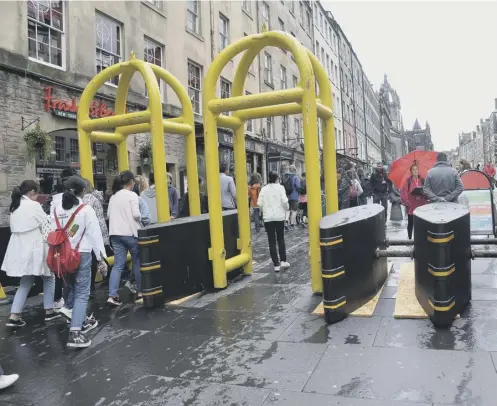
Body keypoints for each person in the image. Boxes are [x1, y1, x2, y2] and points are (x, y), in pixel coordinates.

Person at [46, 176, 106, 348]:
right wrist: (101, 258)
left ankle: (79, 320)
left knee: (69, 287)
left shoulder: (56, 209)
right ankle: (75, 333)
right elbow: (95, 236)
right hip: (82, 254)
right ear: (83, 191)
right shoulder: (85, 209)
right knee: (81, 293)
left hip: (61, 254)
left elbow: (51, 231)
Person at [2, 181, 60, 328]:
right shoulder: (33, 206)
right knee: (49, 277)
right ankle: (49, 311)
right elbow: (47, 224)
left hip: (19, 247)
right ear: (32, 191)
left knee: (25, 282)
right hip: (36, 246)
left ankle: (15, 315)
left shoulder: (15, 206)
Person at [107, 171, 142, 306]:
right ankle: (140, 291)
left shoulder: (113, 196)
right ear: (132, 181)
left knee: (118, 265)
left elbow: (109, 215)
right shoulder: (132, 195)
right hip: (130, 234)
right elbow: (136, 215)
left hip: (115, 234)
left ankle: (112, 295)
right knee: (137, 262)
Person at [257, 171, 290, 272]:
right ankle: (283, 261)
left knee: (271, 241)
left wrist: (265, 211)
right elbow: (285, 202)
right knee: (281, 238)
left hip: (268, 218)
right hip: (279, 217)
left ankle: (276, 265)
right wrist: (286, 209)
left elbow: (259, 204)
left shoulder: (263, 189)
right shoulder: (280, 188)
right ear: (277, 179)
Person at [82, 179, 110, 296]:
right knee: (100, 257)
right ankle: (108, 279)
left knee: (95, 259)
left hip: (93, 232)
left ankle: (92, 286)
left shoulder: (87, 198)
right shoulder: (95, 197)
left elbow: (84, 215)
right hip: (100, 230)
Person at [400, 164, 428, 239]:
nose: (415, 171)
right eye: (413, 169)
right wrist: (406, 202)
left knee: (421, 223)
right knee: (411, 223)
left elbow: (427, 190)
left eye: (416, 169)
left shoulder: (422, 180)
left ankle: (421, 238)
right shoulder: (408, 181)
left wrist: (424, 194)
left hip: (421, 204)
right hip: (411, 205)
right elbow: (404, 192)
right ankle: (409, 238)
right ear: (411, 171)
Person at [282, 165, 301, 231]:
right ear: (295, 170)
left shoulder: (286, 176)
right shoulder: (296, 177)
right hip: (294, 195)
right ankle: (292, 224)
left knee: (288, 210)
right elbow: (298, 186)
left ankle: (286, 222)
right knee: (294, 210)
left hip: (288, 196)